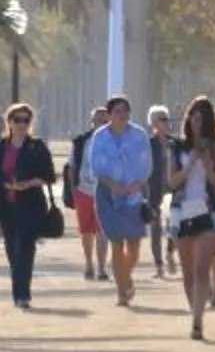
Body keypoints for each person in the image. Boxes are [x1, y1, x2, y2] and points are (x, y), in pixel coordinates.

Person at [171, 98, 215, 339]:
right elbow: (172, 181)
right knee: (187, 270)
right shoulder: (178, 147)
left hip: (209, 211)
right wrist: (190, 165)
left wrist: (207, 164)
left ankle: (197, 321)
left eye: (201, 119)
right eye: (193, 118)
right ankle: (194, 310)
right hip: (182, 210)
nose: (196, 123)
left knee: (201, 268)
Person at [0, 103, 58, 308]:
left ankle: (23, 294)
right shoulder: (2, 147)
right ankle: (18, 289)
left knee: (25, 248)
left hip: (31, 205)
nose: (21, 124)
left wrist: (29, 183)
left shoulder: (37, 146)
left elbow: (49, 176)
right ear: (9, 122)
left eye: (26, 120)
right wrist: (5, 185)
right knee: (12, 248)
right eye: (17, 120)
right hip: (7, 206)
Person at [83, 95, 153, 307]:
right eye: (117, 111)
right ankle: (122, 291)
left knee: (133, 245)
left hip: (134, 194)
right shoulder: (100, 136)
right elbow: (95, 166)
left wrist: (137, 184)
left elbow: (147, 164)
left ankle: (125, 275)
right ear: (110, 114)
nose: (122, 115)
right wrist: (114, 185)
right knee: (115, 241)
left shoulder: (139, 135)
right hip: (108, 194)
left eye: (125, 111)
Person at [66, 116, 104, 280]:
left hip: (104, 192)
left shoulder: (114, 141)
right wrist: (74, 189)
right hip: (84, 191)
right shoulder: (81, 141)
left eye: (105, 119)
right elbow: (71, 166)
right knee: (86, 231)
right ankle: (89, 263)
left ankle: (102, 268)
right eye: (98, 119)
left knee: (103, 231)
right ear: (92, 122)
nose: (101, 122)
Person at [147, 105, 178, 278]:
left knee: (174, 226)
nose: (165, 123)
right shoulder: (148, 144)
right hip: (154, 190)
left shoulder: (175, 143)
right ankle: (159, 265)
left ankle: (170, 252)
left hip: (174, 190)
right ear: (153, 122)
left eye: (166, 119)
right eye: (161, 119)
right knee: (156, 229)